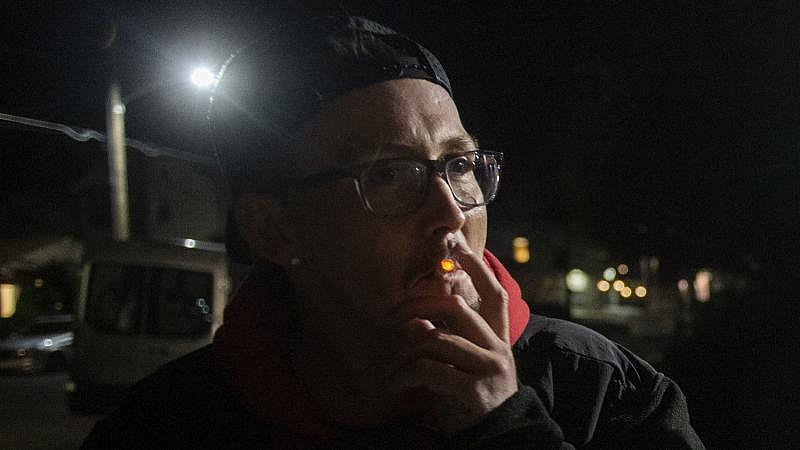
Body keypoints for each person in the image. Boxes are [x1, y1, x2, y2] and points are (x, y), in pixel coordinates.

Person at [83, 16, 704, 448]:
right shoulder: (169, 426)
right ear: (274, 231)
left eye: (459, 166)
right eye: (389, 176)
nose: (452, 212)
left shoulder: (598, 389)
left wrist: (507, 429)